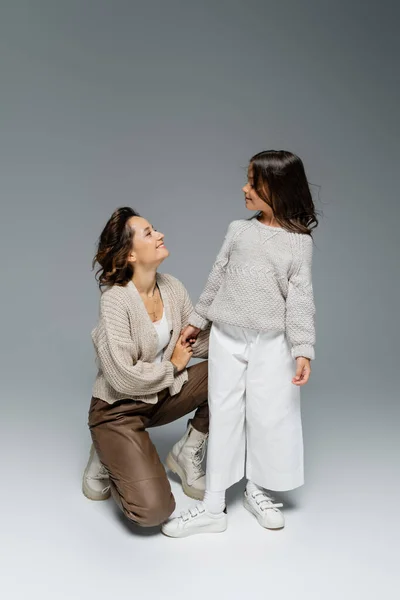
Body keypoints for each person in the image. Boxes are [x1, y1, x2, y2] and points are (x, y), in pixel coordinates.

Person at [162, 150, 318, 538]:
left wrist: (302, 348)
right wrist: (197, 320)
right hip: (228, 336)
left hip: (273, 343)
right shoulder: (238, 230)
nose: (244, 188)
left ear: (277, 188)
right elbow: (217, 278)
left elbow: (300, 298)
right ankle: (213, 505)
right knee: (225, 412)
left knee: (270, 414)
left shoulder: (299, 244)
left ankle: (257, 488)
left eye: (253, 182)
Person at [82, 207, 210, 528]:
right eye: (149, 233)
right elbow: (123, 376)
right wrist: (174, 367)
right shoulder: (115, 300)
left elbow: (196, 342)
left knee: (230, 371)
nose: (160, 234)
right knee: (155, 511)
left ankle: (188, 450)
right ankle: (107, 452)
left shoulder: (172, 287)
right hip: (118, 410)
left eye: (155, 229)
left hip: (161, 396)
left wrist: (250, 342)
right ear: (130, 255)